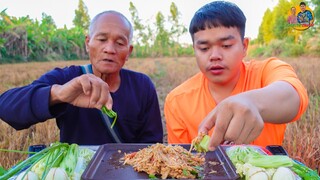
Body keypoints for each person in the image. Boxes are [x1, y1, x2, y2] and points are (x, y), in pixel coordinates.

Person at [0, 11, 163, 145]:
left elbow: (152, 143)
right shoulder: (67, 78)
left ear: (129, 51)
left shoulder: (142, 86)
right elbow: (6, 107)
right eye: (102, 39)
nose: (109, 49)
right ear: (87, 43)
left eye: (120, 43)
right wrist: (59, 94)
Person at [164, 1, 308, 151]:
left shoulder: (267, 71)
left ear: (244, 46)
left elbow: (293, 97)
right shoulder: (177, 101)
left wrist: (251, 102)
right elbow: (180, 160)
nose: (214, 56)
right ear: (194, 49)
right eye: (204, 48)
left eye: (226, 46)